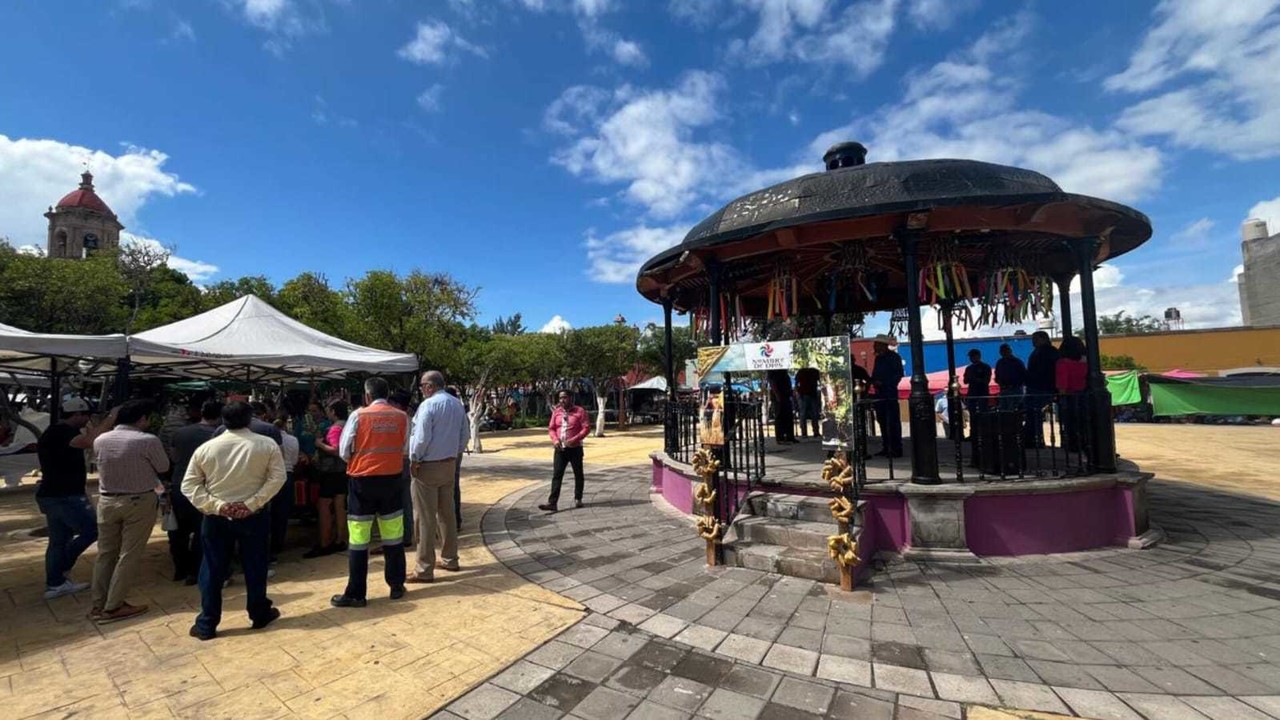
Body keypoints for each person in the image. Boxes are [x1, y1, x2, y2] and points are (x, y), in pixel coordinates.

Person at [182, 401, 287, 640]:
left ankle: (207, 622)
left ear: (222, 420)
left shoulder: (207, 448)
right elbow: (277, 478)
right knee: (255, 565)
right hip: (254, 516)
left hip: (216, 517)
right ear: (249, 419)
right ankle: (259, 612)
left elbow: (189, 485)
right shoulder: (266, 444)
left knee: (212, 569)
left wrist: (218, 505)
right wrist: (251, 504)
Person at [331, 378, 409, 608]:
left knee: (358, 539)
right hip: (392, 481)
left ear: (367, 395)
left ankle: (356, 593)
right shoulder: (401, 416)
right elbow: (405, 447)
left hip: (362, 482)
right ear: (387, 393)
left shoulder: (359, 415)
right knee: (393, 536)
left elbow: (344, 451)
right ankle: (396, 585)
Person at [91, 399, 169, 624]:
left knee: (106, 554)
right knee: (129, 554)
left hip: (106, 501)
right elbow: (163, 466)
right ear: (142, 419)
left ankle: (99, 603)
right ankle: (114, 606)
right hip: (138, 500)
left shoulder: (101, 439)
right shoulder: (147, 440)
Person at [36, 399, 113, 600]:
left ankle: (55, 583)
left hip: (55, 494)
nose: (88, 420)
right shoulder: (61, 433)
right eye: (86, 415)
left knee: (59, 540)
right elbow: (90, 442)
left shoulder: (54, 432)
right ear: (77, 414)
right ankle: (60, 569)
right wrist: (110, 418)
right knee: (92, 530)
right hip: (64, 496)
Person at [408, 371, 468, 583]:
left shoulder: (428, 405)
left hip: (428, 465)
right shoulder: (456, 404)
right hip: (449, 463)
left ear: (430, 386)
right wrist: (455, 453)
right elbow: (465, 435)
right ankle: (450, 558)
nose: (422, 389)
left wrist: (415, 458)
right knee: (446, 513)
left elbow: (421, 436)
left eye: (423, 385)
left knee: (424, 517)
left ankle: (424, 568)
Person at [167, 400, 223, 585]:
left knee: (178, 530)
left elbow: (173, 457)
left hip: (179, 485)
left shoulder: (181, 432)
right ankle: (196, 570)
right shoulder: (217, 436)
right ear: (220, 416)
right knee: (202, 530)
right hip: (205, 487)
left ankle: (179, 569)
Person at [307, 399, 349, 558]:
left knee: (324, 504)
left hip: (331, 471)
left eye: (328, 410)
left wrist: (319, 444)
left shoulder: (335, 428)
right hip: (343, 471)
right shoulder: (348, 424)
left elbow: (336, 449)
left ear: (333, 412)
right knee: (340, 504)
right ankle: (340, 539)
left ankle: (325, 542)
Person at [538, 389, 591, 513]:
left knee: (578, 474)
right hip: (560, 448)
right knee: (557, 475)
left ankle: (578, 498)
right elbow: (551, 428)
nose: (562, 400)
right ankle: (552, 503)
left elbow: (586, 428)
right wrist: (555, 440)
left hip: (575, 448)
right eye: (560, 398)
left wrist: (575, 439)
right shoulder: (556, 412)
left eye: (565, 397)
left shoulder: (580, 411)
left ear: (571, 398)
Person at [387, 390, 415, 545]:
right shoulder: (411, 420)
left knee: (399, 501)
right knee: (406, 501)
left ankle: (401, 535)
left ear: (398, 405)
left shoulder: (399, 420)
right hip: (407, 460)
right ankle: (406, 534)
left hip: (400, 461)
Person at [1024, 331, 1059, 448]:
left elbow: (1045, 371)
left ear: (1043, 338)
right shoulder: (1041, 352)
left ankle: (1035, 439)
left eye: (1035, 339)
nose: (1033, 342)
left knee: (1034, 414)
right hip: (1036, 387)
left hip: (1041, 388)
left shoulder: (1048, 352)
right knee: (1032, 415)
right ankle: (1034, 439)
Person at [270, 417, 299, 559]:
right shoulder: (293, 440)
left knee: (269, 511)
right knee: (282, 513)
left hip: (270, 477)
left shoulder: (266, 439)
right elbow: (294, 461)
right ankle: (278, 544)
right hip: (287, 475)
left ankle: (268, 543)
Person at [870, 335, 904, 457]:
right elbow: (875, 373)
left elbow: (898, 374)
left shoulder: (894, 357)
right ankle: (886, 446)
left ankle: (896, 448)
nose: (874, 347)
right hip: (879, 393)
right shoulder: (878, 359)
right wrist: (873, 381)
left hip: (889, 393)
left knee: (892, 421)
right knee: (882, 421)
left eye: (876, 344)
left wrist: (885, 383)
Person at [1056, 337, 1089, 453]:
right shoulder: (1086, 361)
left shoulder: (1063, 362)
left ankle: (1073, 445)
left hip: (1070, 396)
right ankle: (1086, 444)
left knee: (1070, 423)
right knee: (1084, 423)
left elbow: (1062, 383)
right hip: (1084, 395)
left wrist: (1061, 396)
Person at [445, 386, 465, 531]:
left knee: (445, 488)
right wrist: (459, 450)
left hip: (444, 455)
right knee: (454, 486)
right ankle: (456, 520)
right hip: (456, 452)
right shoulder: (459, 408)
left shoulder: (441, 408)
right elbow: (466, 433)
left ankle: (450, 522)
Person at [995, 344, 1028, 410]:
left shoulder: (1017, 362)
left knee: (1015, 410)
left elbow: (1024, 375)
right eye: (1002, 351)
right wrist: (1000, 382)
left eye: (1006, 350)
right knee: (1004, 410)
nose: (1004, 352)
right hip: (1004, 390)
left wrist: (1017, 384)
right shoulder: (999, 362)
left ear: (1010, 351)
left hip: (1015, 390)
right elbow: (997, 375)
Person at [767, 370, 796, 444]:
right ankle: (780, 437)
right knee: (780, 416)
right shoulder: (773, 372)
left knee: (789, 416)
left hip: (786, 394)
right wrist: (777, 394)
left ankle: (790, 436)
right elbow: (772, 383)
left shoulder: (784, 372)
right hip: (779, 395)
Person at [963, 349, 993, 421]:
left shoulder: (985, 367)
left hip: (982, 393)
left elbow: (986, 381)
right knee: (972, 414)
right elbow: (965, 381)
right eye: (970, 356)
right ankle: (973, 429)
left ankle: (983, 429)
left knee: (983, 413)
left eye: (973, 356)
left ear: (978, 356)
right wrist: (970, 378)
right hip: (972, 393)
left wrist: (975, 378)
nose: (971, 358)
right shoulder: (969, 368)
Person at [794, 367, 822, 439]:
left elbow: (820, 381)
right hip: (803, 395)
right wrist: (798, 393)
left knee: (814, 414)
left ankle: (816, 432)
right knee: (804, 414)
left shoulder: (814, 371)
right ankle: (804, 432)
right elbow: (796, 383)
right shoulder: (801, 371)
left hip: (812, 394)